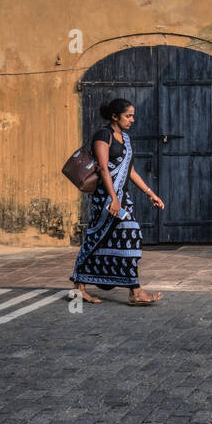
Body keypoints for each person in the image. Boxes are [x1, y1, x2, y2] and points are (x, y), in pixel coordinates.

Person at [70, 98, 165, 305]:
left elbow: (130, 171)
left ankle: (126, 290)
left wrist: (150, 193)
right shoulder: (103, 136)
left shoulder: (126, 139)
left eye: (133, 115)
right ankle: (133, 291)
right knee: (116, 236)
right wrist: (113, 199)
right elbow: (103, 168)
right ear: (115, 116)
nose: (132, 119)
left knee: (114, 240)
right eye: (128, 116)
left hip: (122, 198)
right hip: (105, 199)